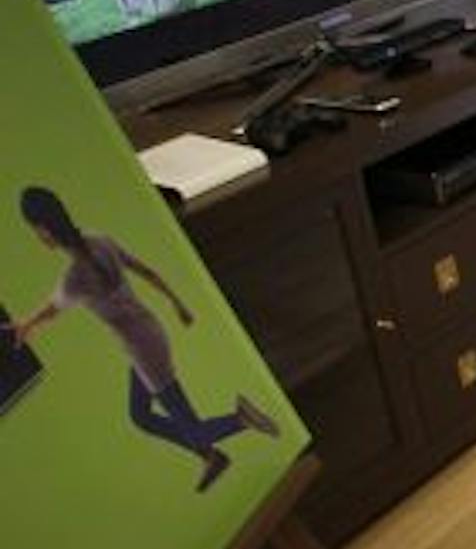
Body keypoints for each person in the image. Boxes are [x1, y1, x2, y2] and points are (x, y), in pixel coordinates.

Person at [7, 187, 279, 493]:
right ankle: (210, 458)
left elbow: (53, 309)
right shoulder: (101, 242)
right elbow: (146, 271)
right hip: (149, 335)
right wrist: (178, 304)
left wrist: (25, 325)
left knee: (194, 429)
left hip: (143, 351)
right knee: (141, 415)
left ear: (43, 229)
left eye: (35, 231)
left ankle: (240, 420)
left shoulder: (75, 277)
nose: (37, 237)